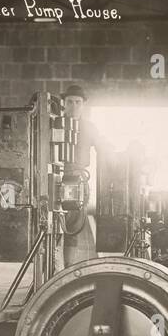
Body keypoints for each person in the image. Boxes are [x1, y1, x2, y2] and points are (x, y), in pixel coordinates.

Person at [60, 84, 109, 266]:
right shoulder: (53, 123)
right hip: (56, 179)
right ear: (63, 103)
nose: (74, 106)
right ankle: (51, 272)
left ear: (83, 105)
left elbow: (103, 149)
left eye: (78, 102)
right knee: (54, 227)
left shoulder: (89, 127)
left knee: (74, 228)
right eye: (70, 102)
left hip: (79, 180)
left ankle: (69, 268)